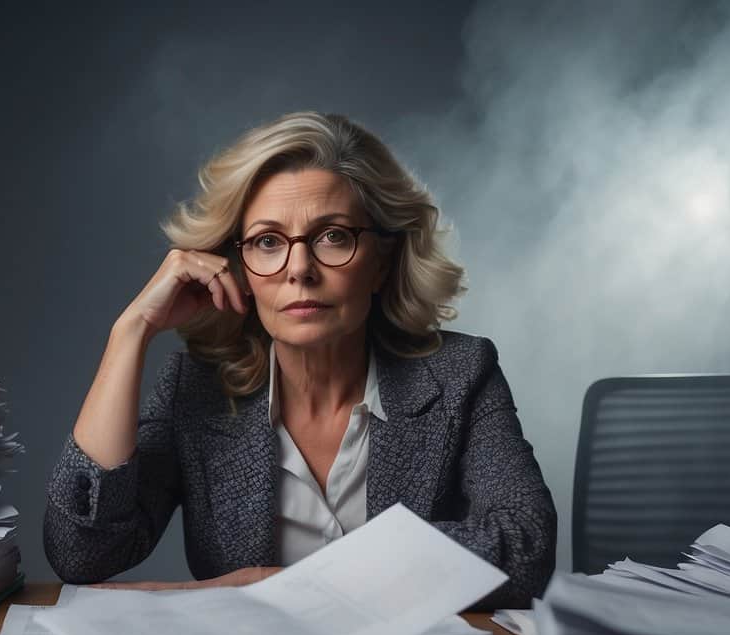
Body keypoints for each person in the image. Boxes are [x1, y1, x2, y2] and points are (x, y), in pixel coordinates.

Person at [44, 111, 556, 608]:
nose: (300, 270)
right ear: (237, 266)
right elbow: (82, 553)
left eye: (333, 236)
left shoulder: (461, 374)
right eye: (268, 242)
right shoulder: (194, 389)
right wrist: (130, 332)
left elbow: (525, 547)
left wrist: (285, 584)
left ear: (381, 261)